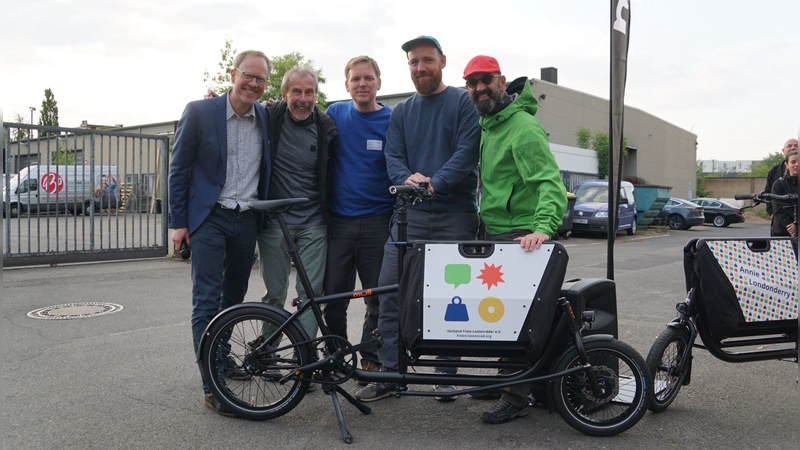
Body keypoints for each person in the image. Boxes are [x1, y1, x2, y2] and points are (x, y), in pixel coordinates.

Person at [354, 36, 481, 403]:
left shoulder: (462, 103)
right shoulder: (403, 112)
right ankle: (392, 374)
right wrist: (405, 179)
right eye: (413, 62)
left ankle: (445, 375)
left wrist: (434, 183)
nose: (420, 67)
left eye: (427, 60)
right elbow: (392, 157)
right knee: (389, 294)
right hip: (407, 218)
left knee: (452, 296)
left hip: (454, 218)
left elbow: (466, 153)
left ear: (442, 61)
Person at [462, 55, 567, 424]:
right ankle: (505, 381)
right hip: (496, 232)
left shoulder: (522, 128)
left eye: (486, 81)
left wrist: (542, 228)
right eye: (472, 83)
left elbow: (549, 182)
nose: (479, 88)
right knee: (497, 314)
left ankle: (515, 395)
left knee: (516, 320)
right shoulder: (490, 124)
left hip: (520, 235)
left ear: (502, 81)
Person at [169, 50, 272, 416]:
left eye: (261, 79)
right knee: (207, 300)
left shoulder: (264, 116)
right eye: (248, 76)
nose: (253, 84)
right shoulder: (200, 112)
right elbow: (178, 169)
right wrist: (178, 223)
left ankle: (222, 357)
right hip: (209, 217)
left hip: (246, 219)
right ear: (233, 74)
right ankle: (211, 383)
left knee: (234, 297)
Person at [322, 56, 394, 378]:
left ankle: (371, 357)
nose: (362, 84)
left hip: (378, 223)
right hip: (339, 223)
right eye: (355, 79)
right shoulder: (335, 113)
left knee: (375, 298)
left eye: (368, 78)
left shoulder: (393, 120)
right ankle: (335, 354)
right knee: (334, 297)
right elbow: (298, 123)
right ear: (346, 84)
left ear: (379, 82)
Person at [257, 68, 337, 340]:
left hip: (314, 222)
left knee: (311, 295)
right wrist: (213, 100)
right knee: (275, 294)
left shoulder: (326, 127)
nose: (303, 99)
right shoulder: (268, 116)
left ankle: (306, 360)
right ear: (284, 95)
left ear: (316, 94)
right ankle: (269, 353)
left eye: (309, 92)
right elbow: (238, 109)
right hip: (275, 222)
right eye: (296, 92)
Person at [764, 138, 799, 215]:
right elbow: (768, 193)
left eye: (796, 145)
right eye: (789, 146)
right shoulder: (774, 171)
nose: (793, 147)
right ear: (783, 151)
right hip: (779, 217)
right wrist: (772, 213)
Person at [770, 150, 798, 237]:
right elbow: (778, 210)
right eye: (793, 162)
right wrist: (791, 226)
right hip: (782, 233)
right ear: (787, 165)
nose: (797, 164)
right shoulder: (779, 184)